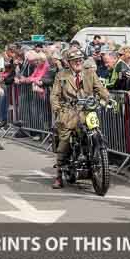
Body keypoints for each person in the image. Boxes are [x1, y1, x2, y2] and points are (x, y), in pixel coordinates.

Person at [50, 48, 110, 189]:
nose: (78, 62)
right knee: (65, 139)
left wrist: (108, 99)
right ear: (68, 62)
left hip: (87, 110)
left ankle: (97, 155)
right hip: (69, 111)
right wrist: (57, 109)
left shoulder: (90, 73)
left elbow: (100, 89)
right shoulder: (61, 75)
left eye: (79, 60)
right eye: (74, 60)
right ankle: (59, 174)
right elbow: (54, 95)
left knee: (95, 130)